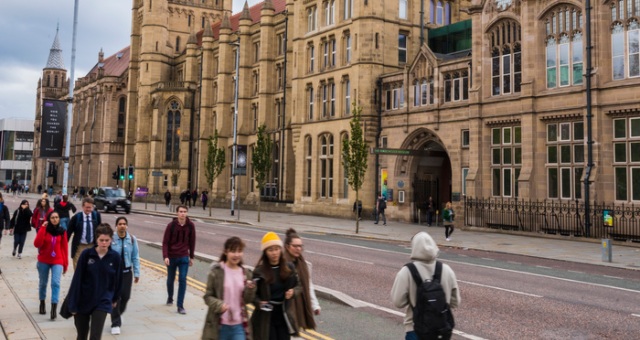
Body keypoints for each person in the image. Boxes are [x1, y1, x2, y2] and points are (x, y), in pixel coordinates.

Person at [391, 232, 460, 340]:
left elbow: (398, 302)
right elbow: (455, 302)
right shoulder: (446, 269)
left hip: (415, 329)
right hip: (441, 330)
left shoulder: (407, 271)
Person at [67, 224, 122, 340]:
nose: (104, 243)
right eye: (101, 240)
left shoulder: (115, 257)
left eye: (107, 240)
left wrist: (115, 298)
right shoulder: (86, 255)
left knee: (95, 336)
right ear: (96, 239)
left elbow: (118, 280)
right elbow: (77, 279)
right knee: (82, 336)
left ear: (111, 240)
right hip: (83, 299)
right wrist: (72, 303)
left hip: (103, 300)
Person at [202, 237, 257, 340]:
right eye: (233, 251)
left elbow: (247, 300)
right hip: (220, 325)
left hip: (239, 325)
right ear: (226, 252)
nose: (236, 255)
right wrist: (219, 304)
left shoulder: (246, 273)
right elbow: (207, 296)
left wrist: (250, 290)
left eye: (239, 251)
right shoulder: (216, 272)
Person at [251, 232, 299, 340]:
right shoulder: (259, 271)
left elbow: (299, 286)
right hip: (267, 316)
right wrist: (259, 303)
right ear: (265, 252)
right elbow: (252, 296)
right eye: (270, 250)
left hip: (283, 313)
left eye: (277, 249)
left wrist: (293, 292)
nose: (274, 253)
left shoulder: (289, 267)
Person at [33, 211, 69, 320]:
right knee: (43, 283)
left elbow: (65, 249)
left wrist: (65, 264)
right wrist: (43, 229)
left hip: (57, 261)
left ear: (59, 219)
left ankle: (54, 308)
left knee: (55, 283)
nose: (54, 219)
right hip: (43, 260)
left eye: (57, 217)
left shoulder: (62, 231)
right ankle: (42, 302)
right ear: (49, 219)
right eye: (52, 217)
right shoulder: (44, 230)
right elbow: (37, 244)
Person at [284, 228, 320, 332]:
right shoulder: (281, 263)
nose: (298, 249)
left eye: (300, 246)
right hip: (285, 305)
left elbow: (308, 285)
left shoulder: (305, 265)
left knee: (295, 330)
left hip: (299, 304)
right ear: (287, 247)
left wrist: (315, 305)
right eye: (295, 246)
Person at [162, 205, 196, 314]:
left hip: (183, 257)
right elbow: (165, 243)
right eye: (181, 211)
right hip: (171, 256)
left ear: (187, 213)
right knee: (170, 279)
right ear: (177, 213)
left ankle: (180, 305)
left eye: (185, 212)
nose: (183, 214)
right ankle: (170, 296)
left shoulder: (191, 226)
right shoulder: (171, 226)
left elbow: (192, 242)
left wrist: (191, 257)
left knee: (182, 279)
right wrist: (165, 256)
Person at [109, 217, 140, 335]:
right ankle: (115, 323)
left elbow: (135, 257)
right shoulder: (111, 239)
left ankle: (117, 314)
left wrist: (137, 272)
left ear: (127, 226)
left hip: (127, 272)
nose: (122, 226)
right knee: (116, 298)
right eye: (120, 224)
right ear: (116, 226)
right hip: (114, 273)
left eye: (124, 224)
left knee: (125, 297)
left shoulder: (132, 239)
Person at [67, 197, 102, 268]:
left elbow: (100, 230)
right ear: (83, 206)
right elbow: (68, 233)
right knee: (78, 268)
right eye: (87, 207)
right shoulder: (76, 218)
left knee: (91, 268)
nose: (88, 209)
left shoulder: (96, 216)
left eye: (90, 207)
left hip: (92, 246)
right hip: (79, 246)